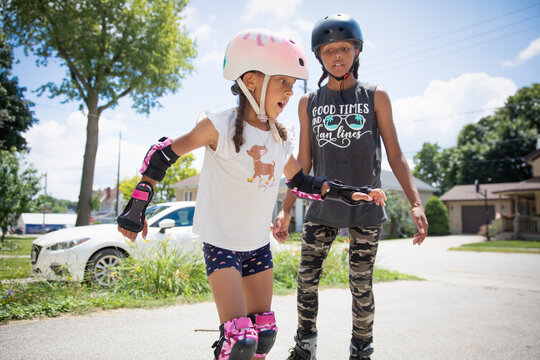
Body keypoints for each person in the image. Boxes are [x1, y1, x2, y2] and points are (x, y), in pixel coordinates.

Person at [116, 28, 386, 360]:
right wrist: (138, 204)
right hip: (222, 244)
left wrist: (348, 193)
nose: (289, 92)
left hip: (257, 246)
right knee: (239, 341)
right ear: (253, 80)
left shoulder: (278, 137)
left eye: (292, 85)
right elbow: (162, 154)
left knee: (265, 335)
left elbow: (300, 181)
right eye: (283, 82)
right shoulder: (219, 125)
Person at [273, 14, 429, 360]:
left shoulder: (376, 96)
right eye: (329, 50)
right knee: (306, 281)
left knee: (360, 285)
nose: (337, 56)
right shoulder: (308, 103)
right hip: (322, 207)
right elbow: (302, 164)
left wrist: (416, 203)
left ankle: (361, 350)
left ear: (357, 51)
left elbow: (396, 154)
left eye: (344, 48)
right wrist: (285, 211)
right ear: (320, 56)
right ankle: (305, 345)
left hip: (366, 208)